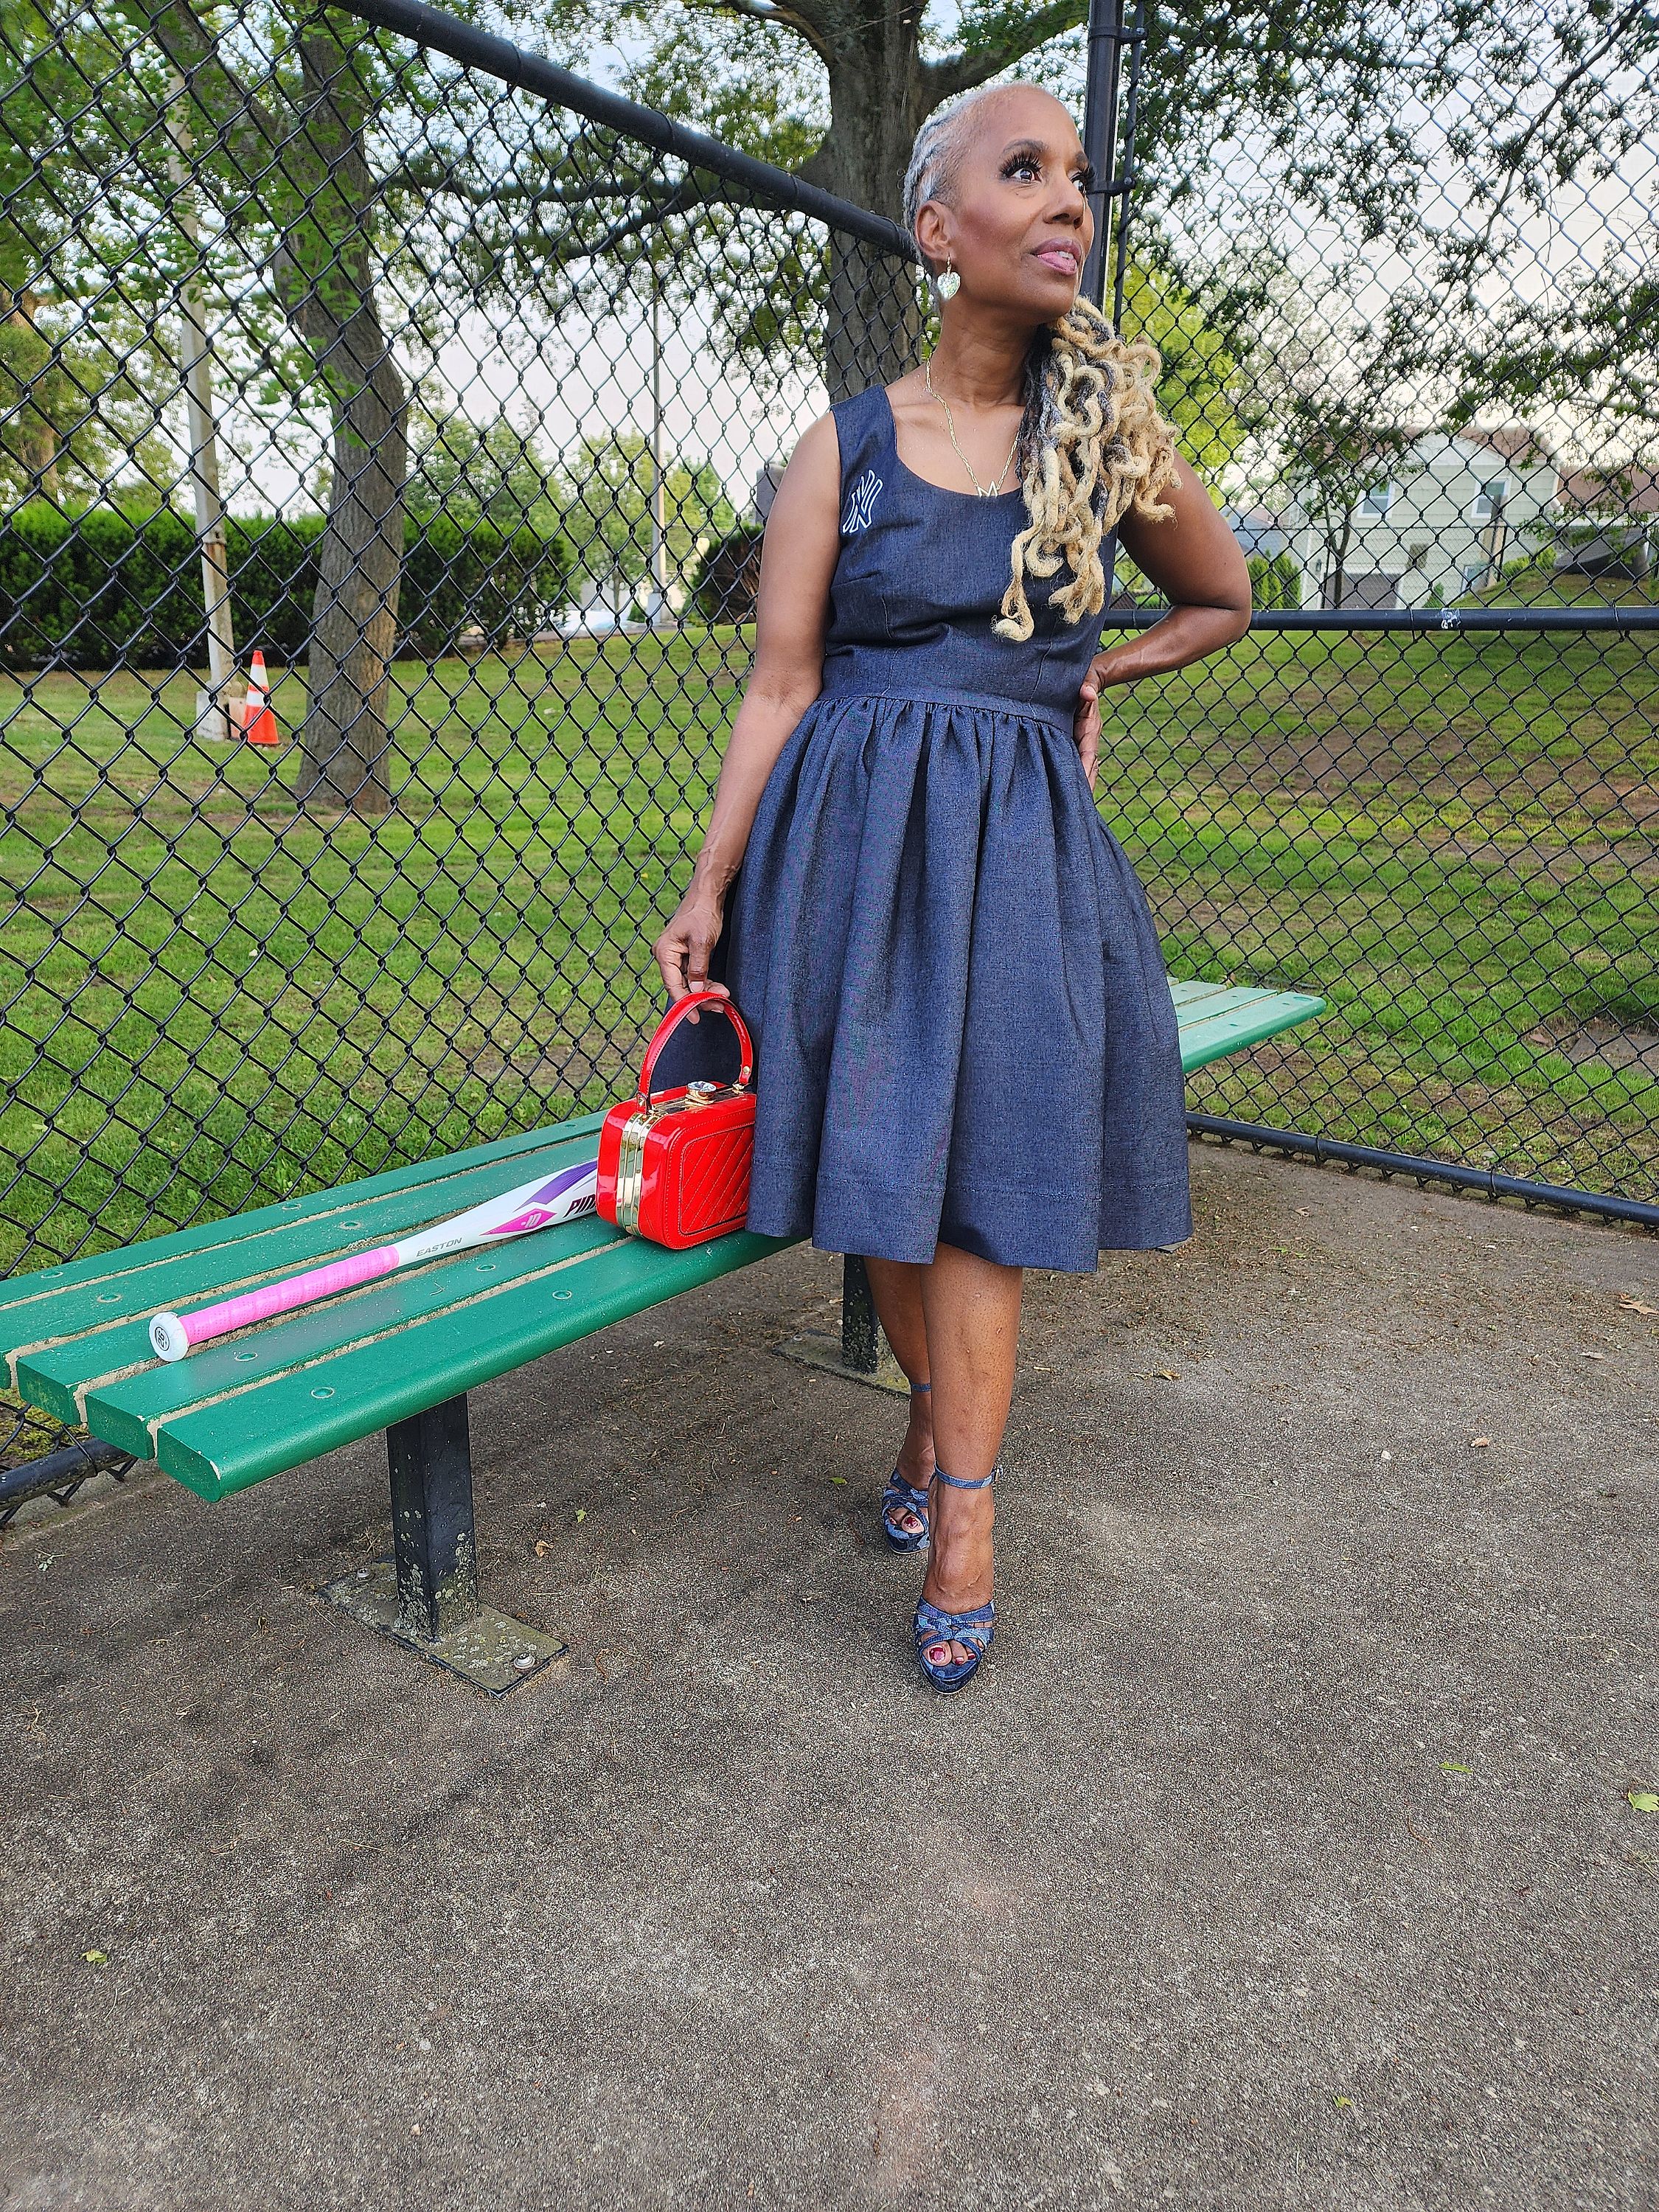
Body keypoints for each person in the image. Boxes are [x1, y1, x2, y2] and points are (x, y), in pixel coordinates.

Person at [653, 79, 1252, 1692]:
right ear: (938, 228)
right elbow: (780, 684)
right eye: (1024, 169)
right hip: (848, 855)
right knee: (882, 1167)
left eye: (1078, 176)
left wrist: (1099, 670)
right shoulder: (842, 447)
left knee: (982, 1181)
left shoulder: (1106, 439)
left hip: (1017, 859)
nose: (1068, 201)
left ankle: (968, 1519)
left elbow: (1221, 598)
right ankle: (929, 1414)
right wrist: (708, 886)